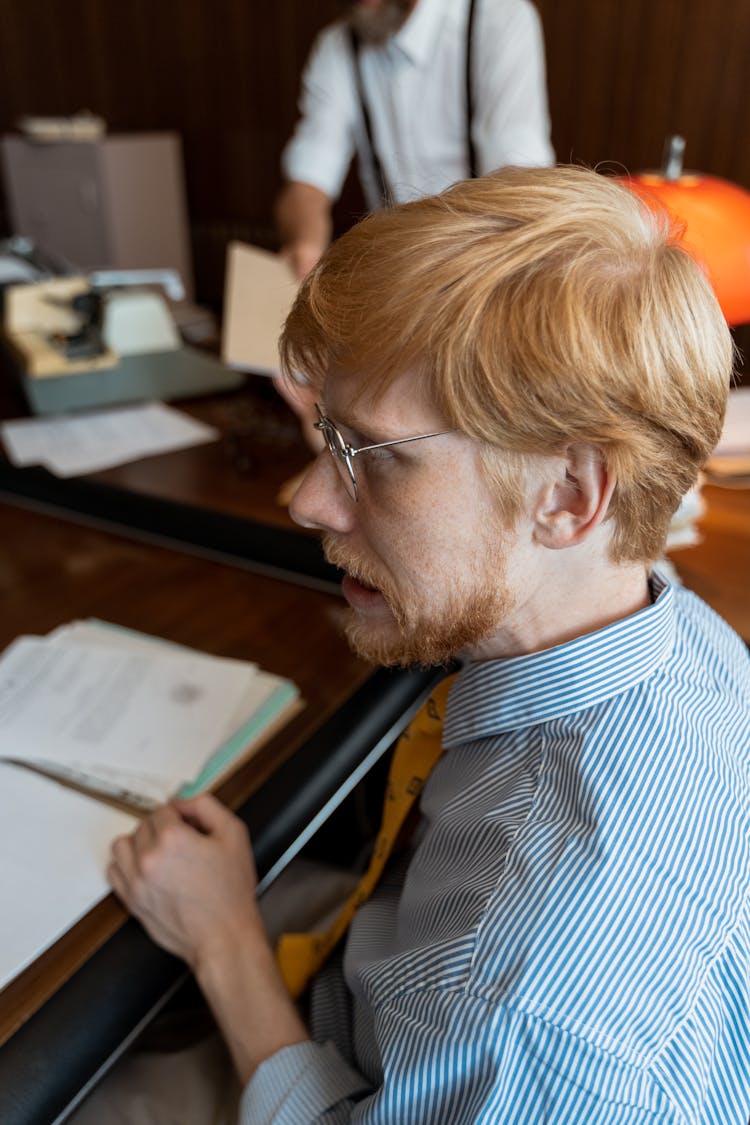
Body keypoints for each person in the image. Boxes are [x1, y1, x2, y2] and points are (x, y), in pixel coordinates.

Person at [104, 166, 749, 1122]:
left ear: (570, 495)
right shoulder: (679, 627)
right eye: (327, 434)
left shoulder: (533, 1008)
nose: (308, 499)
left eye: (373, 456)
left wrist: (225, 943)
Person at [276, 0, 554, 280]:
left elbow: (520, 182)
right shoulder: (337, 46)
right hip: (390, 271)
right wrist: (306, 243)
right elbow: (309, 180)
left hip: (479, 268)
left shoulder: (500, 21)